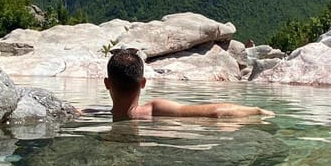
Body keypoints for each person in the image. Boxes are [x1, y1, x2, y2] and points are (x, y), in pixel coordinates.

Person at [105, 48, 275, 121]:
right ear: (143, 83)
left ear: (107, 83)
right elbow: (216, 112)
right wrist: (257, 111)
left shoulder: (96, 112)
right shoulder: (153, 110)